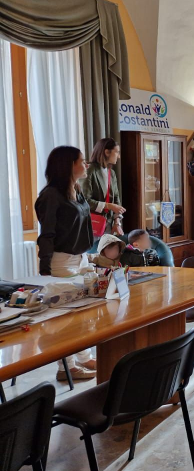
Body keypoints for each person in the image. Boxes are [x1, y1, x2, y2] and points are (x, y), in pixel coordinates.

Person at [34, 145, 97, 381]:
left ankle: (83, 357)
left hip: (79, 259)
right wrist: (45, 271)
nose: (85, 164)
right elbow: (47, 234)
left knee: (81, 315)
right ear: (68, 165)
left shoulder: (75, 190)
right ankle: (66, 367)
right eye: (81, 160)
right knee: (64, 319)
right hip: (61, 262)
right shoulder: (50, 195)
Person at [82, 138, 126, 236]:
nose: (118, 156)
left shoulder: (112, 173)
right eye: (117, 152)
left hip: (109, 224)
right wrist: (108, 206)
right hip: (92, 223)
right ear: (106, 152)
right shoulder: (90, 170)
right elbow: (84, 200)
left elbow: (116, 200)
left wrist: (117, 222)